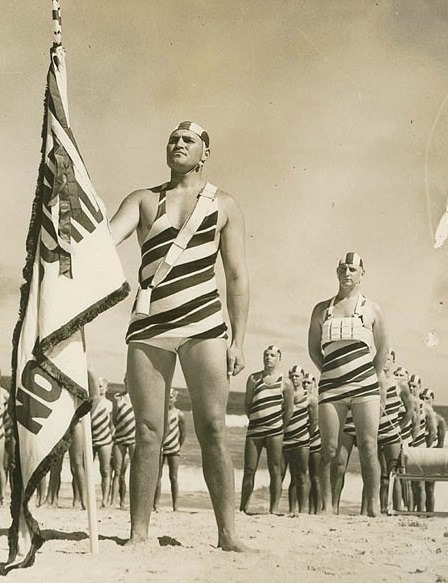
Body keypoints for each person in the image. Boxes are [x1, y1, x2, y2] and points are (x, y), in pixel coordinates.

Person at [109, 121, 249, 550]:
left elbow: (237, 275)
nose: (178, 144)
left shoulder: (224, 204)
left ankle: (227, 534)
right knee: (148, 430)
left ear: (204, 152)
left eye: (188, 140)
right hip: (150, 324)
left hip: (204, 325)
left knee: (212, 427)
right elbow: (105, 240)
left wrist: (238, 339)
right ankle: (138, 533)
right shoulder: (143, 199)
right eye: (172, 138)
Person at [308, 252, 389, 517]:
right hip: (331, 387)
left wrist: (367, 377)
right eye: (343, 268)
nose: (347, 273)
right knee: (329, 449)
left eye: (352, 269)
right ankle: (327, 506)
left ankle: (374, 505)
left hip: (365, 387)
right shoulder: (322, 309)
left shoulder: (372, 309)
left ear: (362, 274)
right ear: (337, 271)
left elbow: (383, 349)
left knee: (368, 446)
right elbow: (313, 350)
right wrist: (332, 373)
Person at [240, 345, 294, 515]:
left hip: (275, 431)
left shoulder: (286, 382)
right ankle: (243, 508)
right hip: (255, 430)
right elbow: (247, 405)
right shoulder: (253, 379)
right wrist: (256, 421)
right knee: (249, 469)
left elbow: (289, 410)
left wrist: (279, 427)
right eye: (266, 355)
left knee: (275, 469)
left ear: (279, 358)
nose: (268, 358)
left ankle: (274, 509)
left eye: (272, 355)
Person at [153, 389, 186, 511]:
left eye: (171, 397)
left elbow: (183, 433)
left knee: (173, 477)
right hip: (161, 448)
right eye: (167, 396)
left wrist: (178, 446)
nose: (169, 399)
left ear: (175, 399)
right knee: (157, 476)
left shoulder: (179, 414)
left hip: (174, 449)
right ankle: (156, 504)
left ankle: (175, 505)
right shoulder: (161, 413)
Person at [110, 375, 136, 510]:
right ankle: (114, 502)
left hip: (133, 438)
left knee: (134, 471)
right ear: (124, 382)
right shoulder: (118, 398)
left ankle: (129, 502)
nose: (128, 383)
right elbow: (114, 418)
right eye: (127, 381)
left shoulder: (138, 397)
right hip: (120, 437)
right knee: (118, 471)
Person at [90, 374, 113, 508]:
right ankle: (88, 498)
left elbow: (111, 423)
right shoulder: (92, 402)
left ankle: (105, 500)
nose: (100, 389)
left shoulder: (109, 404)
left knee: (105, 470)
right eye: (97, 386)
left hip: (105, 440)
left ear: (106, 388)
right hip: (92, 439)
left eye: (102, 386)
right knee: (88, 469)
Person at [419, 388, 442, 512]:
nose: (424, 401)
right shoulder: (421, 415)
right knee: (418, 486)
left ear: (432, 399)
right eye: (422, 398)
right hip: (421, 454)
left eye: (427, 398)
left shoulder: (439, 419)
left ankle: (429, 513)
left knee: (430, 487)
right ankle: (418, 512)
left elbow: (441, 443)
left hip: (432, 455)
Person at [303, 373, 322, 514]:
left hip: (314, 441)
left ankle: (317, 510)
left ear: (314, 385)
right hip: (304, 441)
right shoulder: (299, 399)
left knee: (315, 477)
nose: (305, 385)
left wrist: (306, 437)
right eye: (304, 382)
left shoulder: (315, 400)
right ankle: (310, 510)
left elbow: (314, 422)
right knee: (306, 477)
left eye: (308, 383)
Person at [0, 371, 9, 506]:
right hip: (1, 433)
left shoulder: (3, 393)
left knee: (0, 467)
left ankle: (2, 496)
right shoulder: (3, 393)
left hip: (0, 434)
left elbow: (8, 415)